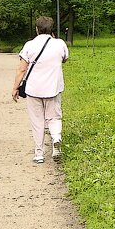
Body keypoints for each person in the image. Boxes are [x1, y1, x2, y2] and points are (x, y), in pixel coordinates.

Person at [11, 16, 69, 164]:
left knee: (37, 121)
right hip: (53, 88)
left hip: (33, 89)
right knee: (54, 117)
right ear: (52, 29)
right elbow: (64, 59)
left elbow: (22, 69)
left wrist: (15, 87)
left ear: (37, 29)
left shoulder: (29, 45)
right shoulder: (60, 44)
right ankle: (56, 138)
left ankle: (39, 154)